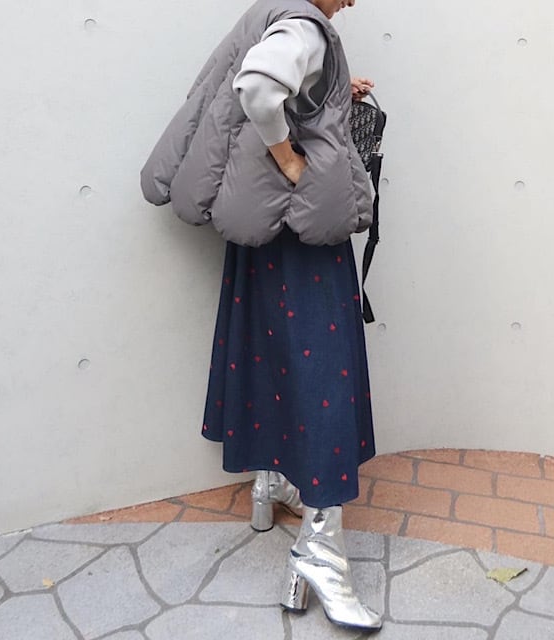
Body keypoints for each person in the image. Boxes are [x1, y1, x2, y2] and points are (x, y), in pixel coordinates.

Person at [141, 0, 382, 631]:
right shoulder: (303, 28)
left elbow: (275, 88)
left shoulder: (277, 13)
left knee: (269, 354)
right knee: (327, 379)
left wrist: (330, 95)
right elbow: (256, 86)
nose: (355, 1)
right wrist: (292, 160)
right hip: (302, 234)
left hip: (264, 230)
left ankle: (272, 482)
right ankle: (321, 552)